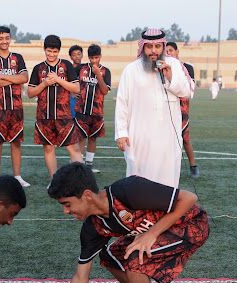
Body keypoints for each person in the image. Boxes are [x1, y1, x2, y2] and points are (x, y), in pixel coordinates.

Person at [27, 163, 209, 283]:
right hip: (159, 232)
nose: (65, 211)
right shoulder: (93, 227)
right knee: (111, 255)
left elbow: (189, 198)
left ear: (87, 196)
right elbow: (80, 277)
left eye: (67, 204)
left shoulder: (129, 190)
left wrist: (151, 234)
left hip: (191, 225)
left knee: (135, 258)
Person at [115, 28, 192, 188]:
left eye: (158, 46)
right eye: (149, 46)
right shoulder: (131, 70)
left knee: (167, 178)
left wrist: (170, 75)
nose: (153, 51)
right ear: (143, 47)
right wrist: (121, 133)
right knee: (139, 177)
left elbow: (186, 91)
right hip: (140, 135)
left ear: (163, 46)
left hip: (168, 136)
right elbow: (122, 103)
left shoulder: (174, 65)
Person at [28, 35, 82, 180]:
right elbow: (30, 93)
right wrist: (45, 83)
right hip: (44, 116)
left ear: (59, 51)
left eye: (55, 51)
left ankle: (81, 181)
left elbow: (76, 88)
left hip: (64, 115)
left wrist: (58, 79)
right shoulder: (38, 68)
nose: (51, 54)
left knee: (74, 148)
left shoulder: (66, 65)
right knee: (48, 148)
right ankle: (54, 181)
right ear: (44, 49)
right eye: (49, 51)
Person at [0, 26, 30, 187]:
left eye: (7, 38)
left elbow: (24, 78)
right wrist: (13, 78)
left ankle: (17, 176)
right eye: (1, 38)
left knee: (16, 142)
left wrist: (2, 76)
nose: (4, 41)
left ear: (10, 39)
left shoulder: (18, 58)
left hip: (16, 107)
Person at [74, 44, 111, 174]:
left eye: (96, 58)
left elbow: (105, 91)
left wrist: (98, 75)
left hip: (97, 111)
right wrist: (72, 92)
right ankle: (79, 165)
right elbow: (71, 82)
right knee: (81, 137)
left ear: (100, 56)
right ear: (88, 57)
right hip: (81, 110)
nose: (94, 61)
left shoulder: (106, 71)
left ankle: (89, 165)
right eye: (92, 58)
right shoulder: (81, 68)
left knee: (93, 138)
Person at [165, 42, 199, 179]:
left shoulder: (187, 67)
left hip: (182, 108)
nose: (168, 53)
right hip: (166, 108)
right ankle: (167, 167)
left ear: (177, 52)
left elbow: (189, 88)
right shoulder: (161, 66)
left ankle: (193, 166)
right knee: (166, 139)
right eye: (166, 51)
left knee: (185, 139)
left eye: (171, 50)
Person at [68, 45, 83, 119]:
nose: (77, 57)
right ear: (71, 57)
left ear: (82, 55)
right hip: (72, 101)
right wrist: (71, 92)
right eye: (74, 55)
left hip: (84, 101)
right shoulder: (68, 69)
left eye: (78, 54)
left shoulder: (86, 69)